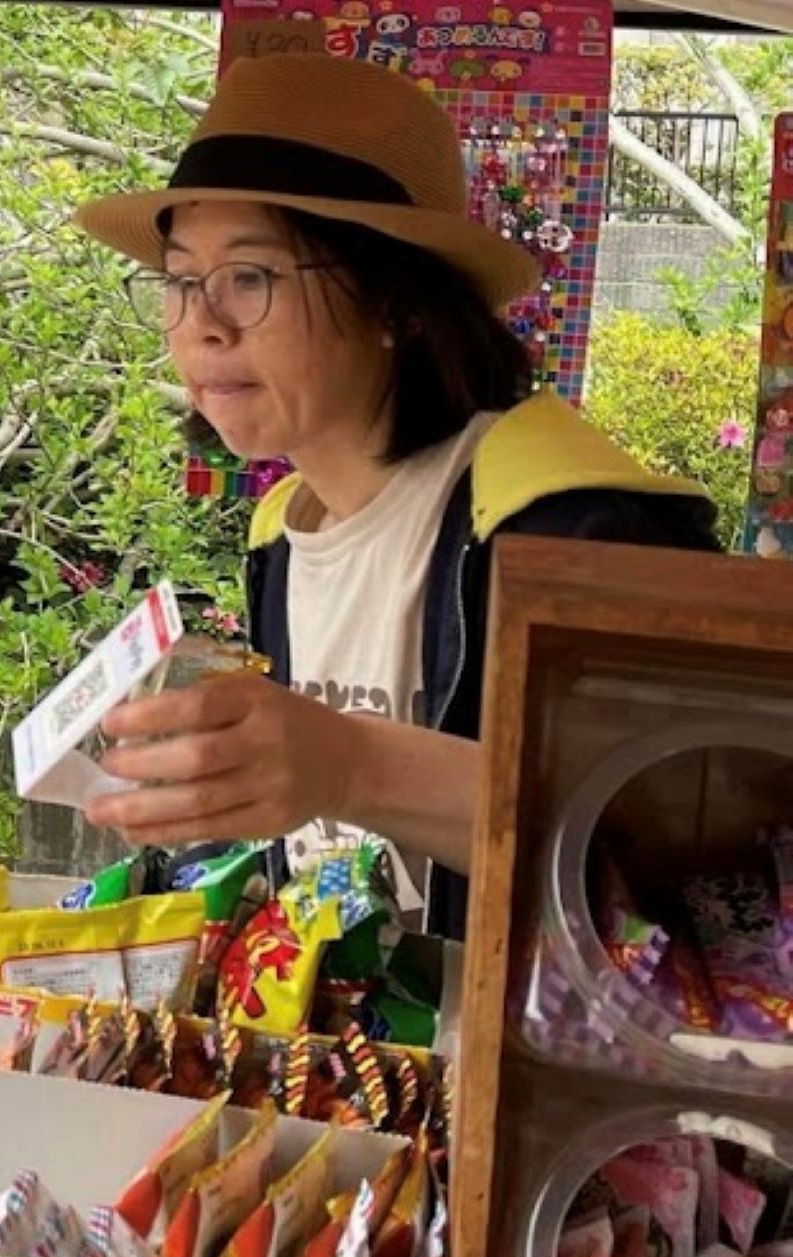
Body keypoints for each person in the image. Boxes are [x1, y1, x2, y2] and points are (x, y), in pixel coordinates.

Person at [73, 54, 722, 938]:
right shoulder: (282, 534)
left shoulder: (577, 526)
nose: (204, 324)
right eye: (181, 280)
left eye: (251, 277)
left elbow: (689, 861)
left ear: (398, 304)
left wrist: (352, 763)